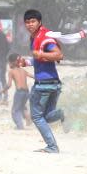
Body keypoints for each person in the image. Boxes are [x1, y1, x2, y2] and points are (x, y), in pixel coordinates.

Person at [23, 9, 64, 153]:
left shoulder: (45, 37)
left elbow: (58, 55)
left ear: (39, 22)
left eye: (33, 21)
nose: (30, 24)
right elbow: (40, 60)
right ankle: (63, 113)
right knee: (46, 116)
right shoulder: (35, 38)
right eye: (27, 22)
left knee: (36, 116)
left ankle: (52, 147)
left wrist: (39, 53)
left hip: (43, 85)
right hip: (54, 83)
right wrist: (27, 62)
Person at [5, 53, 33, 129]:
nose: (8, 64)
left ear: (12, 62)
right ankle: (28, 119)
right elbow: (34, 76)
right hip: (27, 92)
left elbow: (9, 85)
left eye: (9, 62)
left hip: (19, 92)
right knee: (22, 107)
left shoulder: (11, 71)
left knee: (15, 111)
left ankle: (20, 126)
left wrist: (3, 90)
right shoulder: (23, 70)